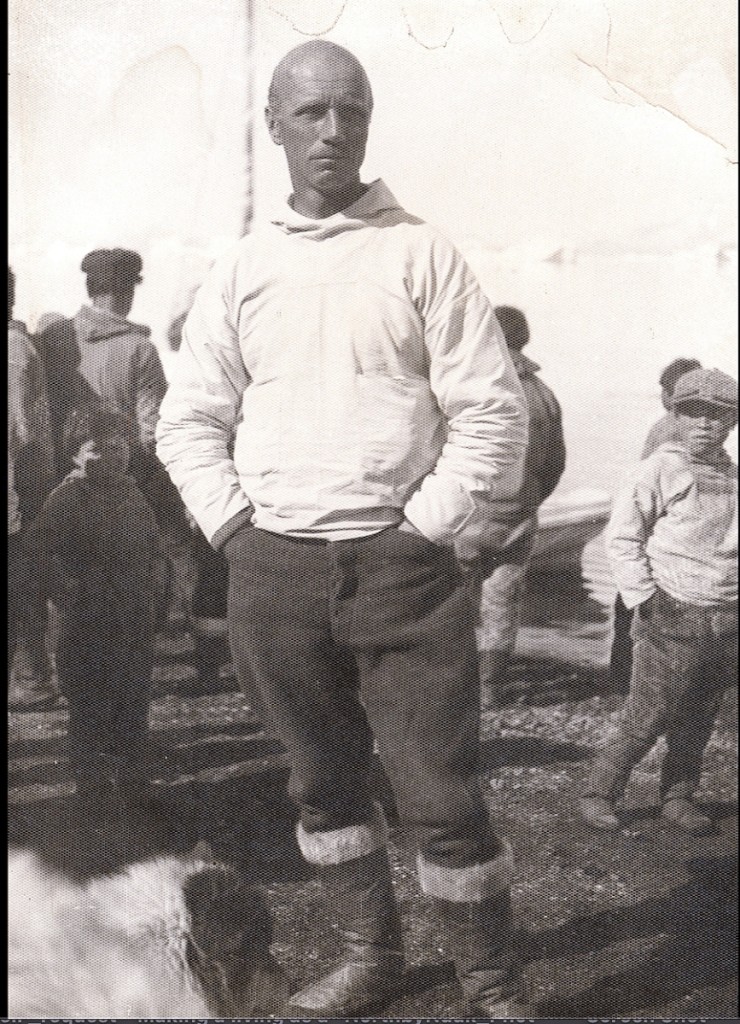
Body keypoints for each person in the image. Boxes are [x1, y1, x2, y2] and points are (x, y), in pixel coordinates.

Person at [156, 40, 530, 1018]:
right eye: (311, 112)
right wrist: (235, 529)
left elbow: (492, 412)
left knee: (441, 798)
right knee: (321, 787)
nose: (333, 130)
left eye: (351, 111)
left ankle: (489, 979)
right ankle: (373, 955)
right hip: (271, 575)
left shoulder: (419, 252)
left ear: (368, 122)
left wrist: (426, 524)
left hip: (402, 574)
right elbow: (188, 418)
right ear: (272, 125)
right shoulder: (242, 266)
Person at [579, 368, 737, 833]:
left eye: (721, 416)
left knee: (700, 712)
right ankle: (600, 792)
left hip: (726, 615)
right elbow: (624, 539)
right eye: (695, 414)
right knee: (648, 711)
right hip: (672, 612)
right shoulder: (657, 470)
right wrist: (646, 598)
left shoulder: (732, 475)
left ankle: (677, 796)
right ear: (674, 415)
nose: (707, 425)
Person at [37, 249, 193, 627]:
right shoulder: (140, 348)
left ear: (91, 288)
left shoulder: (57, 339)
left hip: (70, 467)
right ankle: (178, 634)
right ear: (128, 293)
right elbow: (151, 427)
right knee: (178, 544)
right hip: (130, 467)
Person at [27, 407, 171, 801]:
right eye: (96, 449)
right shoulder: (66, 496)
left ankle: (132, 771)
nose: (109, 456)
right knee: (88, 696)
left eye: (118, 446)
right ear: (74, 454)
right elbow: (39, 547)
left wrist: (159, 591)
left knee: (133, 692)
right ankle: (90, 777)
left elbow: (155, 548)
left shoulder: (134, 493)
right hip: (87, 615)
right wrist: (65, 588)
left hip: (134, 611)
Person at [471, 305, 566, 696]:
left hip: (470, 514)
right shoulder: (544, 395)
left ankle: (448, 687)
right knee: (502, 601)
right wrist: (530, 499)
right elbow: (556, 463)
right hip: (520, 516)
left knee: (448, 600)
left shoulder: (476, 384)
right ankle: (489, 686)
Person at [609, 356, 702, 690]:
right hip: (676, 539)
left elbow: (645, 491)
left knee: (631, 610)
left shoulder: (666, 428)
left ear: (669, 395)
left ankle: (624, 684)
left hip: (655, 537)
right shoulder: (693, 429)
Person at [7, 266, 59, 710]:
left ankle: (34, 678)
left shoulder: (14, 348)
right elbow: (24, 431)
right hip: (19, 490)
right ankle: (32, 678)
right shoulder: (17, 346)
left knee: (22, 590)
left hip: (17, 493)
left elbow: (21, 430)